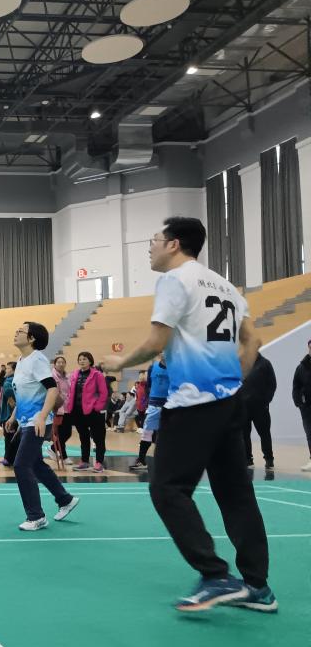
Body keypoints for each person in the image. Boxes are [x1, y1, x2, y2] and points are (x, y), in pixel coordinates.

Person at [105, 216, 274, 612]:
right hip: (229, 402)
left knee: (167, 488)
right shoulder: (226, 286)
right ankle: (258, 586)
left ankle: (215, 575)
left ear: (174, 244)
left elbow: (156, 341)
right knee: (236, 495)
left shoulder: (175, 280)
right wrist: (232, 380)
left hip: (194, 403)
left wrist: (121, 362)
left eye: (154, 240)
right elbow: (253, 340)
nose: (150, 248)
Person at [7, 322, 79, 531]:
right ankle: (65, 499)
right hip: (26, 421)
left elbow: (52, 389)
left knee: (21, 465)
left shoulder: (37, 359)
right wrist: (13, 416)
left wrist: (42, 416)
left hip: (37, 422)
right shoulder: (22, 360)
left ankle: (36, 516)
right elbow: (25, 392)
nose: (16, 332)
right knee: (36, 464)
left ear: (31, 338)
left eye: (21, 331)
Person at [65, 352, 109, 472]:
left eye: (84, 359)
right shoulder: (75, 374)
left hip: (94, 412)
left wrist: (97, 407)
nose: (82, 361)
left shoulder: (97, 375)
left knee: (98, 438)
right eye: (80, 359)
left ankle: (99, 463)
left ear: (90, 361)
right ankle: (84, 461)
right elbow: (71, 391)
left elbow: (103, 393)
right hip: (77, 411)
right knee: (83, 437)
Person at [130, 354, 169, 471]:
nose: (164, 352)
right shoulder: (153, 367)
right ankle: (141, 460)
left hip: (171, 405)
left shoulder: (177, 367)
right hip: (154, 405)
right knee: (147, 433)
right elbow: (149, 385)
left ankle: (172, 463)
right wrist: (149, 401)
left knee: (170, 434)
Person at [240, 352, 276, 470]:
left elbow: (272, 384)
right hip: (243, 407)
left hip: (260, 407)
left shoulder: (265, 363)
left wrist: (266, 401)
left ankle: (269, 460)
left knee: (264, 434)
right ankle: (248, 460)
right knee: (244, 435)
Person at [292, 339, 311, 472]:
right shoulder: (301, 367)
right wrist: (299, 402)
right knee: (310, 434)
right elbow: (296, 386)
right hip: (307, 408)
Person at [51, 355, 72, 461]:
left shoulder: (67, 376)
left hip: (67, 408)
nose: (61, 364)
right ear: (54, 364)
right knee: (61, 432)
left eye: (63, 362)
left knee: (68, 432)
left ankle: (53, 448)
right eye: (58, 362)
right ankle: (64, 456)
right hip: (58, 408)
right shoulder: (52, 376)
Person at [0, 361, 17, 466]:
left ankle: (8, 459)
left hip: (9, 415)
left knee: (9, 437)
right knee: (14, 437)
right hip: (16, 414)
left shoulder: (8, 383)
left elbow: (11, 401)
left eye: (8, 368)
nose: (6, 370)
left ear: (14, 370)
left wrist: (12, 416)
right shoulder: (17, 381)